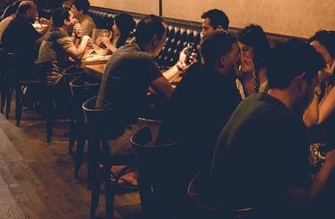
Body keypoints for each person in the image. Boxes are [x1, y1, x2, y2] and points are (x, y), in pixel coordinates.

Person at [209, 39, 335, 215]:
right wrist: (330, 167)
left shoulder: (251, 102)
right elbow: (301, 207)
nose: (313, 93)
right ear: (302, 81)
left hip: (216, 208)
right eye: (314, 85)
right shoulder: (285, 122)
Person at [159, 30, 242, 185]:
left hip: (166, 164)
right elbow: (241, 124)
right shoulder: (221, 89)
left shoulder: (195, 72)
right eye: (237, 54)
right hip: (191, 177)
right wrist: (244, 81)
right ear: (223, 61)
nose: (240, 58)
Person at [95, 15, 184, 158]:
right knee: (177, 135)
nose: (165, 42)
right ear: (155, 39)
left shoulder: (125, 50)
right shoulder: (142, 58)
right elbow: (169, 94)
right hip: (118, 137)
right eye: (164, 38)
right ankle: (154, 177)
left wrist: (179, 66)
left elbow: (155, 85)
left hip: (104, 131)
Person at [235, 24, 272, 98]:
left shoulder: (272, 72)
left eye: (245, 49)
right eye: (239, 50)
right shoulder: (240, 70)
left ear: (258, 48)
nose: (241, 55)